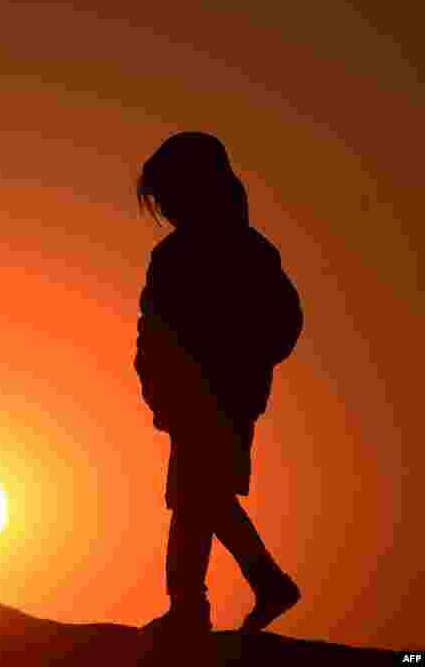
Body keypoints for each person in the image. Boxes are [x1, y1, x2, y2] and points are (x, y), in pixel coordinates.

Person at [133, 131, 303, 637]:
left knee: (195, 499)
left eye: (168, 192)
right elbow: (154, 329)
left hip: (225, 397)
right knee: (200, 498)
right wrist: (157, 385)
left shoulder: (244, 252)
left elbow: (282, 321)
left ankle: (194, 607)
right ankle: (258, 584)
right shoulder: (178, 255)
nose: (163, 204)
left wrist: (241, 364)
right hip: (192, 397)